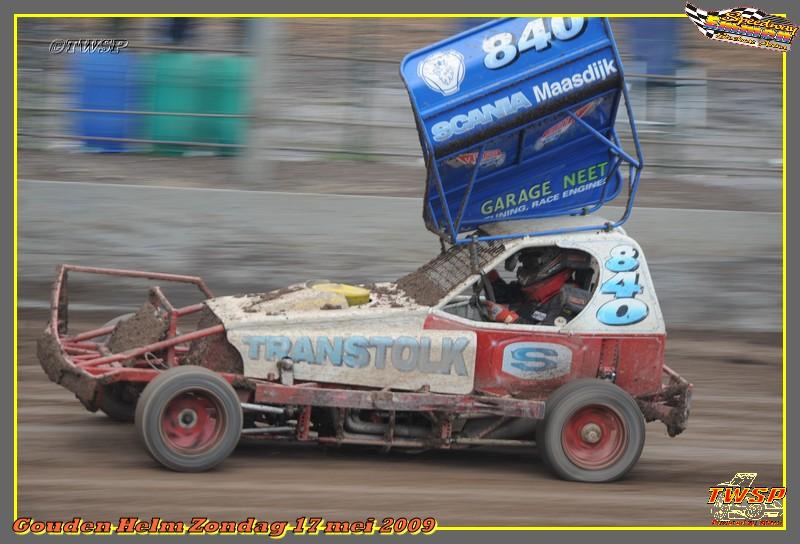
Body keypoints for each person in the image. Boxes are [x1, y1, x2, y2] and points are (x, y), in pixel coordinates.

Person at [482, 248, 593, 325]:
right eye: (525, 263)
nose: (525, 267)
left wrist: (510, 319)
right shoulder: (539, 290)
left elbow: (549, 337)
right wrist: (491, 278)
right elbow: (504, 297)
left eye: (530, 263)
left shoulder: (571, 300)